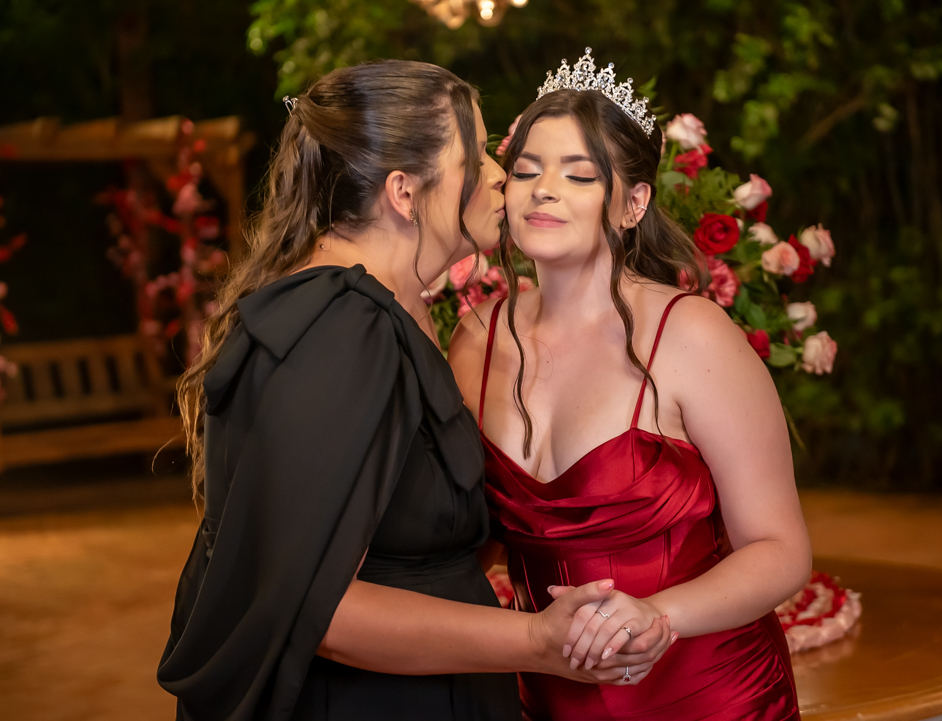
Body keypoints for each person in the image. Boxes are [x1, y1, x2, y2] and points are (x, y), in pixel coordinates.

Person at [158, 60, 674, 721]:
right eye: (477, 155)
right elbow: (318, 607)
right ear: (404, 192)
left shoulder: (388, 312)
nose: (501, 174)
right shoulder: (345, 328)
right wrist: (538, 641)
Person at [449, 50, 811, 720]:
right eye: (526, 170)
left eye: (578, 174)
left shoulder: (691, 335)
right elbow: (472, 535)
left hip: (707, 695)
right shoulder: (476, 340)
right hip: (548, 697)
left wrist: (658, 614)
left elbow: (781, 550)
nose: (543, 189)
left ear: (633, 202)